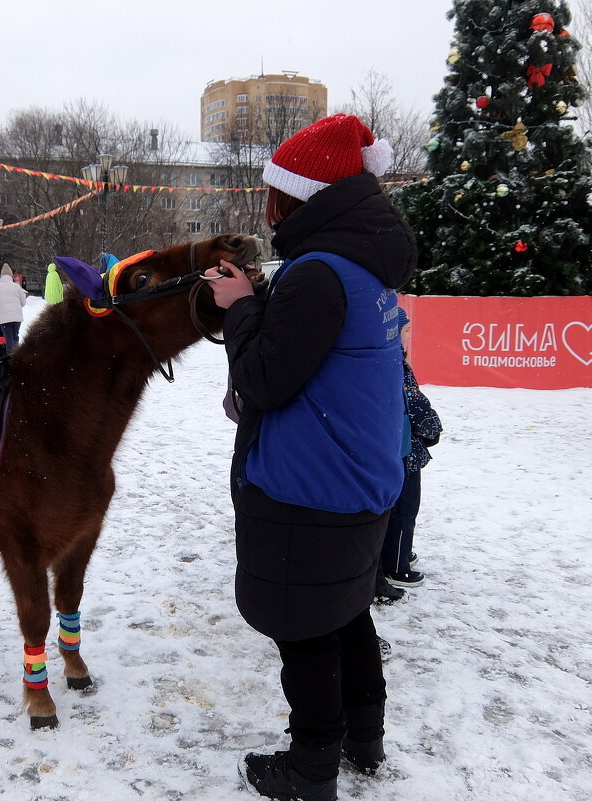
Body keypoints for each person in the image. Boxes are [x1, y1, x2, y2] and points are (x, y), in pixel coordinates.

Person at [204, 114, 417, 801]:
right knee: (346, 609)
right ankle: (365, 735)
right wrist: (264, 300)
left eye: (274, 190)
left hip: (311, 486)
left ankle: (311, 766)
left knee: (305, 630)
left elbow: (264, 379)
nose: (267, 204)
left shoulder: (319, 272)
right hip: (361, 476)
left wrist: (238, 307)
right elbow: (317, 350)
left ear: (297, 197)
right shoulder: (356, 262)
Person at [380, 306, 443, 590]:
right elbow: (415, 404)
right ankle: (397, 565)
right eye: (406, 332)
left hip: (390, 451)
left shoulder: (381, 362)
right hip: (404, 454)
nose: (409, 338)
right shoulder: (396, 365)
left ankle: (396, 552)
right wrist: (432, 428)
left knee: (391, 511)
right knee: (404, 511)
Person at [0, 263, 27, 353]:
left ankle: (10, 359)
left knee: (8, 340)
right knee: (15, 338)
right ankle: (17, 356)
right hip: (17, 318)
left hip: (5, 319)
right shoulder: (17, 286)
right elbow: (23, 302)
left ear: (2, 276)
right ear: (11, 275)